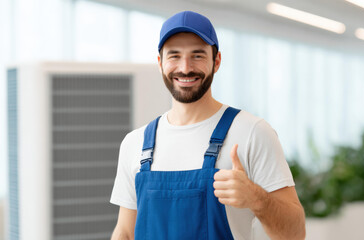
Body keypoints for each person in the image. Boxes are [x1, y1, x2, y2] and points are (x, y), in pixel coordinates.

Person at [110, 11, 305, 240]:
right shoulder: (135, 143)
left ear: (217, 61)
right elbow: (125, 232)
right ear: (160, 62)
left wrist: (256, 198)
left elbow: (295, 234)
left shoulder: (252, 132)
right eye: (174, 55)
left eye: (197, 55)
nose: (185, 68)